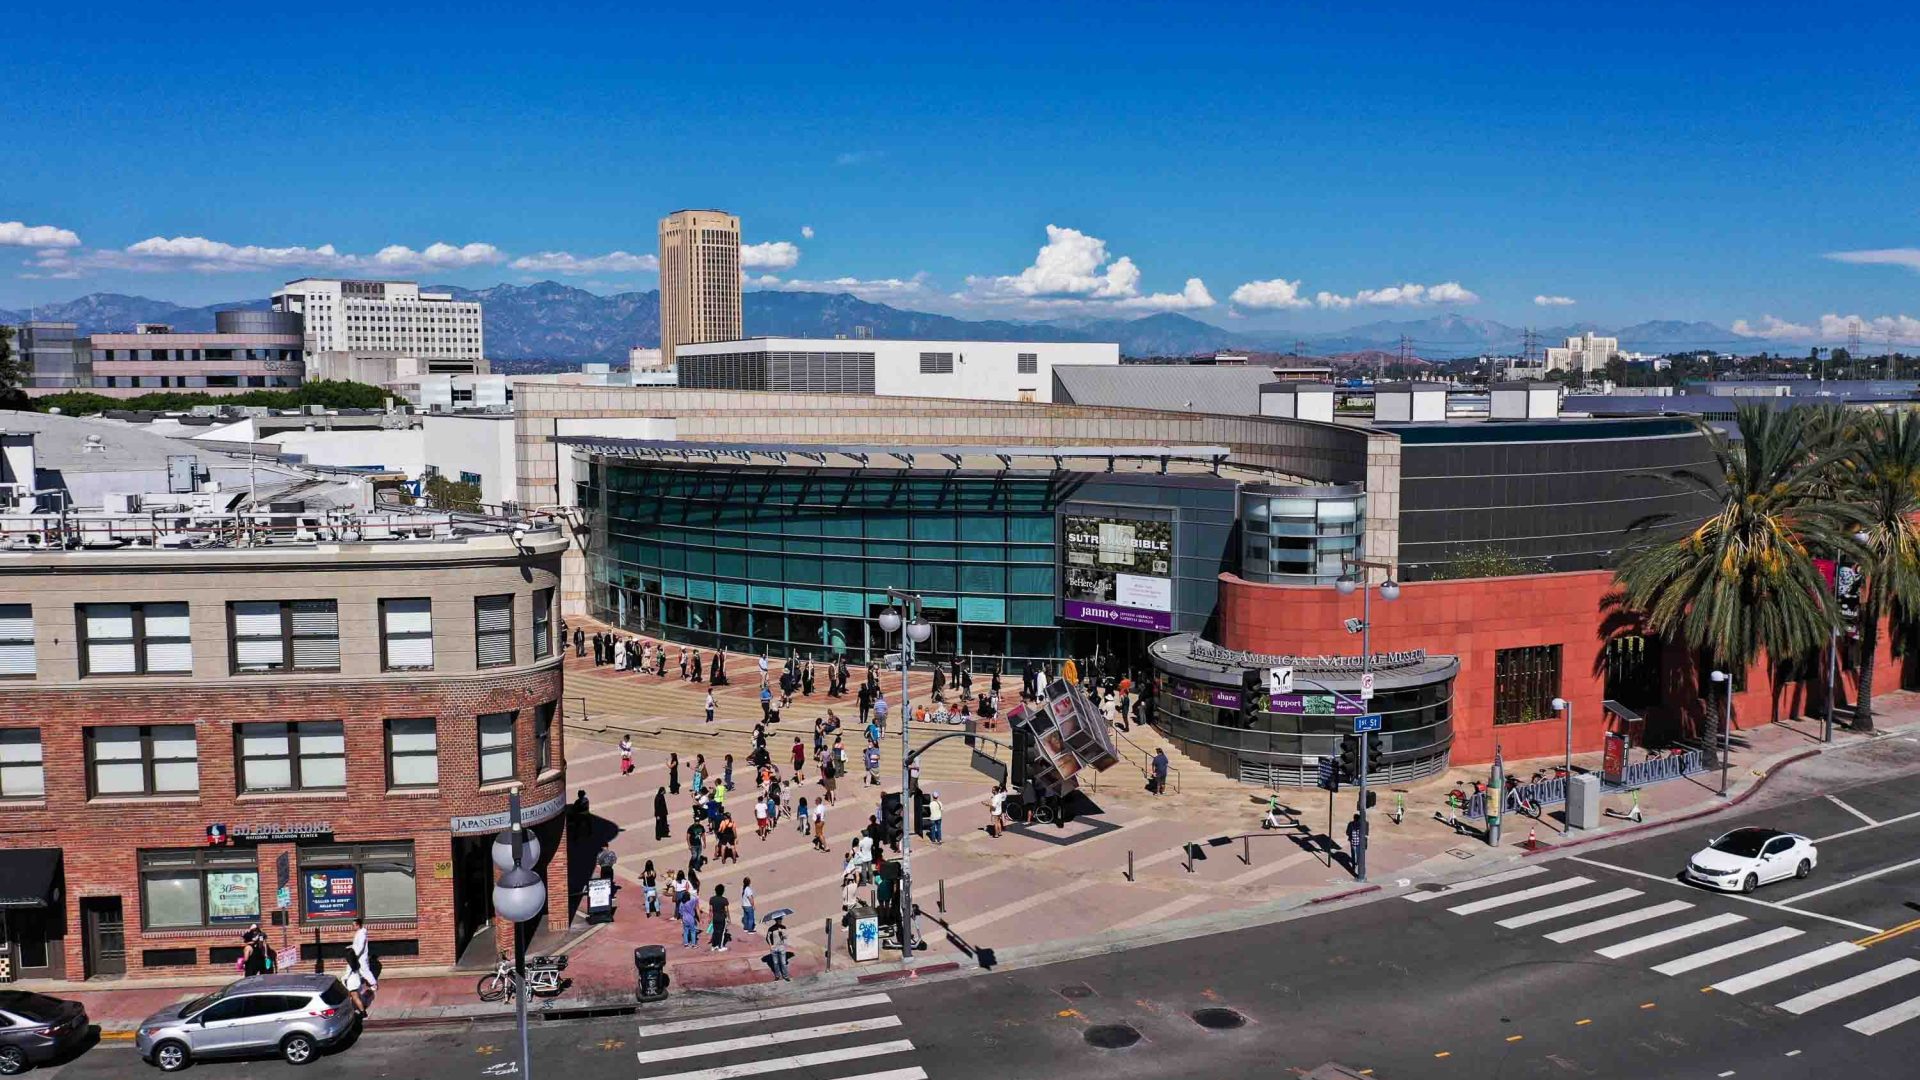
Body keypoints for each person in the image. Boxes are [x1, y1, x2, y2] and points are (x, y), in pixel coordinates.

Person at [345, 916, 375, 1016]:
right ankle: (370, 983)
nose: (352, 926)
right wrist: (351, 947)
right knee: (363, 971)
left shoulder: (362, 933)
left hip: (361, 957)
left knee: (365, 970)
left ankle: (373, 984)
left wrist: (355, 954)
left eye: (353, 925)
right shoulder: (360, 932)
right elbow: (357, 944)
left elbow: (360, 946)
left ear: (358, 925)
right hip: (359, 956)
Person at [766, 914, 791, 981]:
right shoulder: (771, 929)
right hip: (774, 948)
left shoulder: (783, 927)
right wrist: (770, 945)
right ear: (775, 920)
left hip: (781, 947)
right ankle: (777, 975)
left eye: (780, 920)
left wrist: (782, 933)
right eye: (778, 920)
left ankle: (785, 976)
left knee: (783, 963)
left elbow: (786, 937)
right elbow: (767, 937)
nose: (780, 921)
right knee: (775, 963)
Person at [709, 884, 731, 952]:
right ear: (722, 891)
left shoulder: (712, 899)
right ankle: (720, 946)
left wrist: (710, 918)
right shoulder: (724, 900)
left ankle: (714, 946)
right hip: (722, 918)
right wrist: (729, 918)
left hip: (715, 918)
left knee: (715, 932)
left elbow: (710, 910)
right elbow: (726, 910)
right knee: (721, 932)